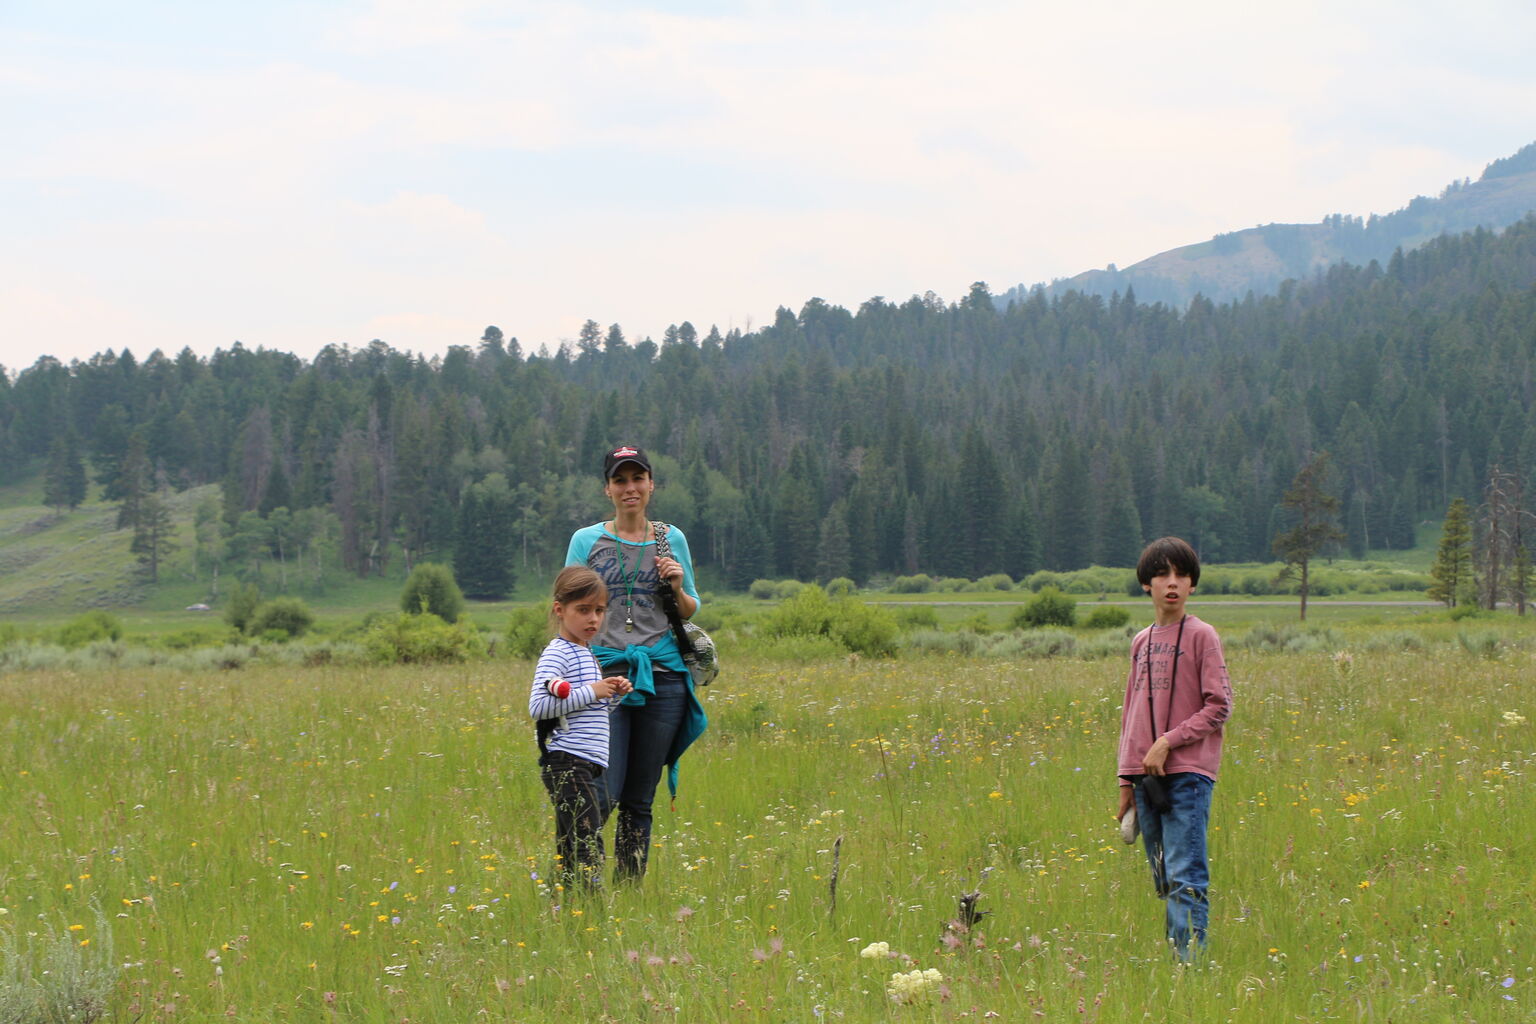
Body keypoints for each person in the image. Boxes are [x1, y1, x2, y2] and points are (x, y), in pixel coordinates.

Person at [566, 444, 708, 882]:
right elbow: (569, 605)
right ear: (607, 488)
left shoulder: (671, 538)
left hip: (661, 677)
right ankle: (576, 880)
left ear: (651, 484)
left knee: (640, 798)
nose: (630, 488)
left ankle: (629, 890)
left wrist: (677, 584)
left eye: (637, 479)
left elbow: (688, 609)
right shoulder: (586, 540)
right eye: (620, 480)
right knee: (603, 792)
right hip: (605, 674)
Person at [1115, 536, 1233, 962]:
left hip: (1188, 774)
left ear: (1192, 585)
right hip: (1148, 779)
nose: (1172, 582)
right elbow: (1132, 711)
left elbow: (1219, 706)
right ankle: (1177, 960)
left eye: (1182, 575)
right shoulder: (1141, 642)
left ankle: (1189, 970)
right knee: (1164, 877)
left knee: (1185, 876)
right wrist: (1127, 780)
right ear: (1146, 584)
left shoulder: (1203, 635)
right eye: (1162, 574)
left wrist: (1168, 741)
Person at [529, 565, 633, 891]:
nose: (593, 620)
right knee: (585, 840)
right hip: (567, 762)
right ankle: (589, 912)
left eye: (599, 611)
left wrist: (609, 689)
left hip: (583, 764)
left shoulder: (584, 652)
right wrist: (594, 691)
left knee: (573, 841)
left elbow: (583, 705)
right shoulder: (558, 652)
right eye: (583, 610)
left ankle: (565, 907)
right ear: (560, 610)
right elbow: (539, 706)